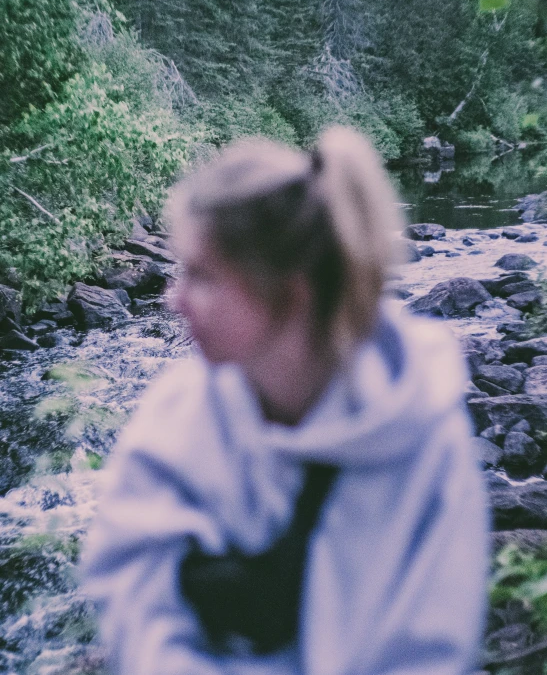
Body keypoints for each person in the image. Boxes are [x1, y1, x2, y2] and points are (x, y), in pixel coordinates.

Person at [82, 126, 488, 675]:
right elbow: (129, 585)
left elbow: (431, 648)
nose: (173, 299)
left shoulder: (425, 437)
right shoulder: (178, 411)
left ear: (289, 291)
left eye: (201, 275)